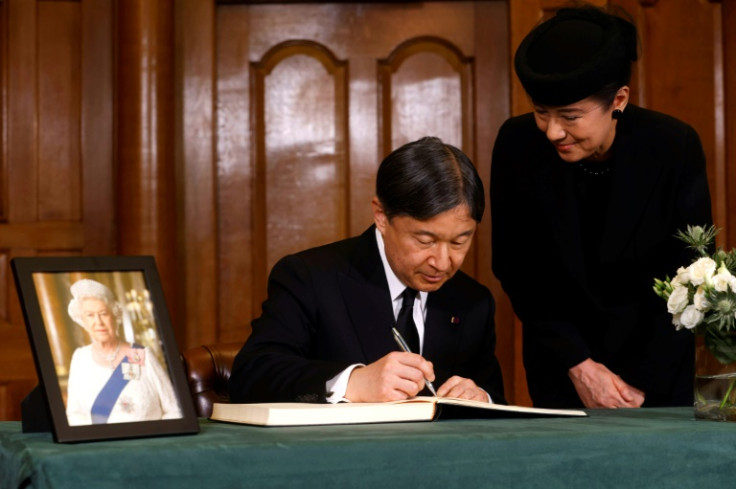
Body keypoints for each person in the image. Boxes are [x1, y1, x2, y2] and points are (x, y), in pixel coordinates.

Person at [490, 4, 712, 409]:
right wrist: (579, 365)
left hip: (657, 376)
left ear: (619, 100)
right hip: (562, 370)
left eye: (570, 116)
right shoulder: (517, 144)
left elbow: (691, 272)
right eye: (542, 113)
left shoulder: (673, 146)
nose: (553, 131)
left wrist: (638, 387)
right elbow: (517, 268)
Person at [229, 136, 505, 405]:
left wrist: (482, 398)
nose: (443, 263)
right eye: (425, 241)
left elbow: (495, 397)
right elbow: (252, 376)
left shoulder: (473, 301)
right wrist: (353, 382)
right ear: (382, 217)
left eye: (460, 241)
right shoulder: (310, 277)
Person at [65, 279, 182, 425]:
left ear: (115, 316)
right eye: (90, 315)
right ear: (82, 321)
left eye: (103, 313)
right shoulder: (80, 359)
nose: (98, 322)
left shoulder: (141, 355)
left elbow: (174, 410)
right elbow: (74, 416)